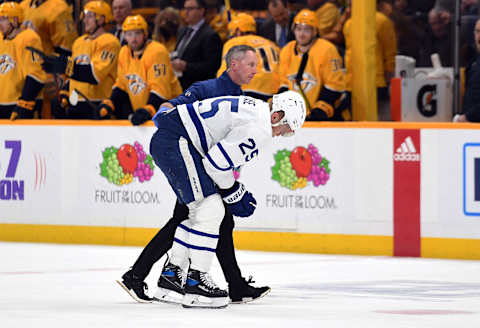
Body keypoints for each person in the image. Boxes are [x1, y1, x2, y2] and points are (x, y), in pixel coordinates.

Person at [117, 45, 271, 305]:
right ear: (234, 64)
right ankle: (140, 275)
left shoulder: (238, 95)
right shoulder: (207, 89)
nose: (256, 70)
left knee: (211, 221)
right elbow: (170, 108)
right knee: (194, 219)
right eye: (251, 64)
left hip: (206, 168)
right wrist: (164, 122)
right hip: (192, 162)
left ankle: (228, 283)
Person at [147, 90, 306, 308]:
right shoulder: (260, 127)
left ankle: (171, 277)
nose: (281, 134)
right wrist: (234, 191)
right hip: (177, 141)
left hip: (172, 139)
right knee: (211, 210)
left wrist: (232, 190)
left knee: (199, 213)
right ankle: (196, 283)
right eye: (285, 129)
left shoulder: (256, 108)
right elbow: (216, 164)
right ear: (276, 116)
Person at [96, 15, 182, 124]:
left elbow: (160, 89)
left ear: (145, 34)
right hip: (147, 110)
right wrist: (110, 102)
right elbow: (122, 84)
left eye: (137, 33)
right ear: (125, 36)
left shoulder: (157, 52)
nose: (134, 38)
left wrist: (149, 109)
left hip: (171, 109)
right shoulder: (124, 52)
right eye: (129, 34)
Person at [42, 1, 121, 119]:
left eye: (89, 16)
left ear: (101, 19)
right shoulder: (79, 42)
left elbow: (94, 76)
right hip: (76, 103)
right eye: (85, 17)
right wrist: (65, 90)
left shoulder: (110, 42)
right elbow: (73, 74)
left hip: (98, 104)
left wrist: (65, 66)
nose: (85, 21)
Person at [279, 9, 347, 121]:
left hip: (323, 117)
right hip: (295, 118)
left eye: (307, 29)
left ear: (315, 32)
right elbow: (284, 84)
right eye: (299, 29)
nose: (302, 34)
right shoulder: (287, 50)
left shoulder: (327, 50)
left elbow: (335, 85)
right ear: (293, 30)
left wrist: (320, 110)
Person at [343, 0, 397, 120]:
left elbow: (390, 52)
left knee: (377, 119)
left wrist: (389, 77)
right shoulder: (348, 24)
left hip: (376, 81)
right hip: (351, 82)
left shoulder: (381, 20)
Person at [217, 13, 280, 101]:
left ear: (238, 31)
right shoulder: (272, 44)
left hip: (248, 90)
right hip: (274, 91)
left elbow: (226, 71)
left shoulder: (234, 42)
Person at [0, 2, 46, 120]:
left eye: (3, 19)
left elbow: (36, 76)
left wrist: (24, 102)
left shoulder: (29, 38)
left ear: (15, 20)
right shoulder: (1, 39)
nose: (0, 23)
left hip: (21, 104)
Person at [171, 0, 222, 89]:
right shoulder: (182, 31)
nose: (186, 12)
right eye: (185, 8)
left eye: (190, 9)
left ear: (202, 11)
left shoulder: (210, 35)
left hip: (198, 88)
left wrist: (186, 66)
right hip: (179, 86)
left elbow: (212, 67)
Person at [454, 18, 480, 122]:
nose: (479, 36)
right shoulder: (474, 61)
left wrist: (468, 117)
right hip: (470, 127)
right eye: (478, 31)